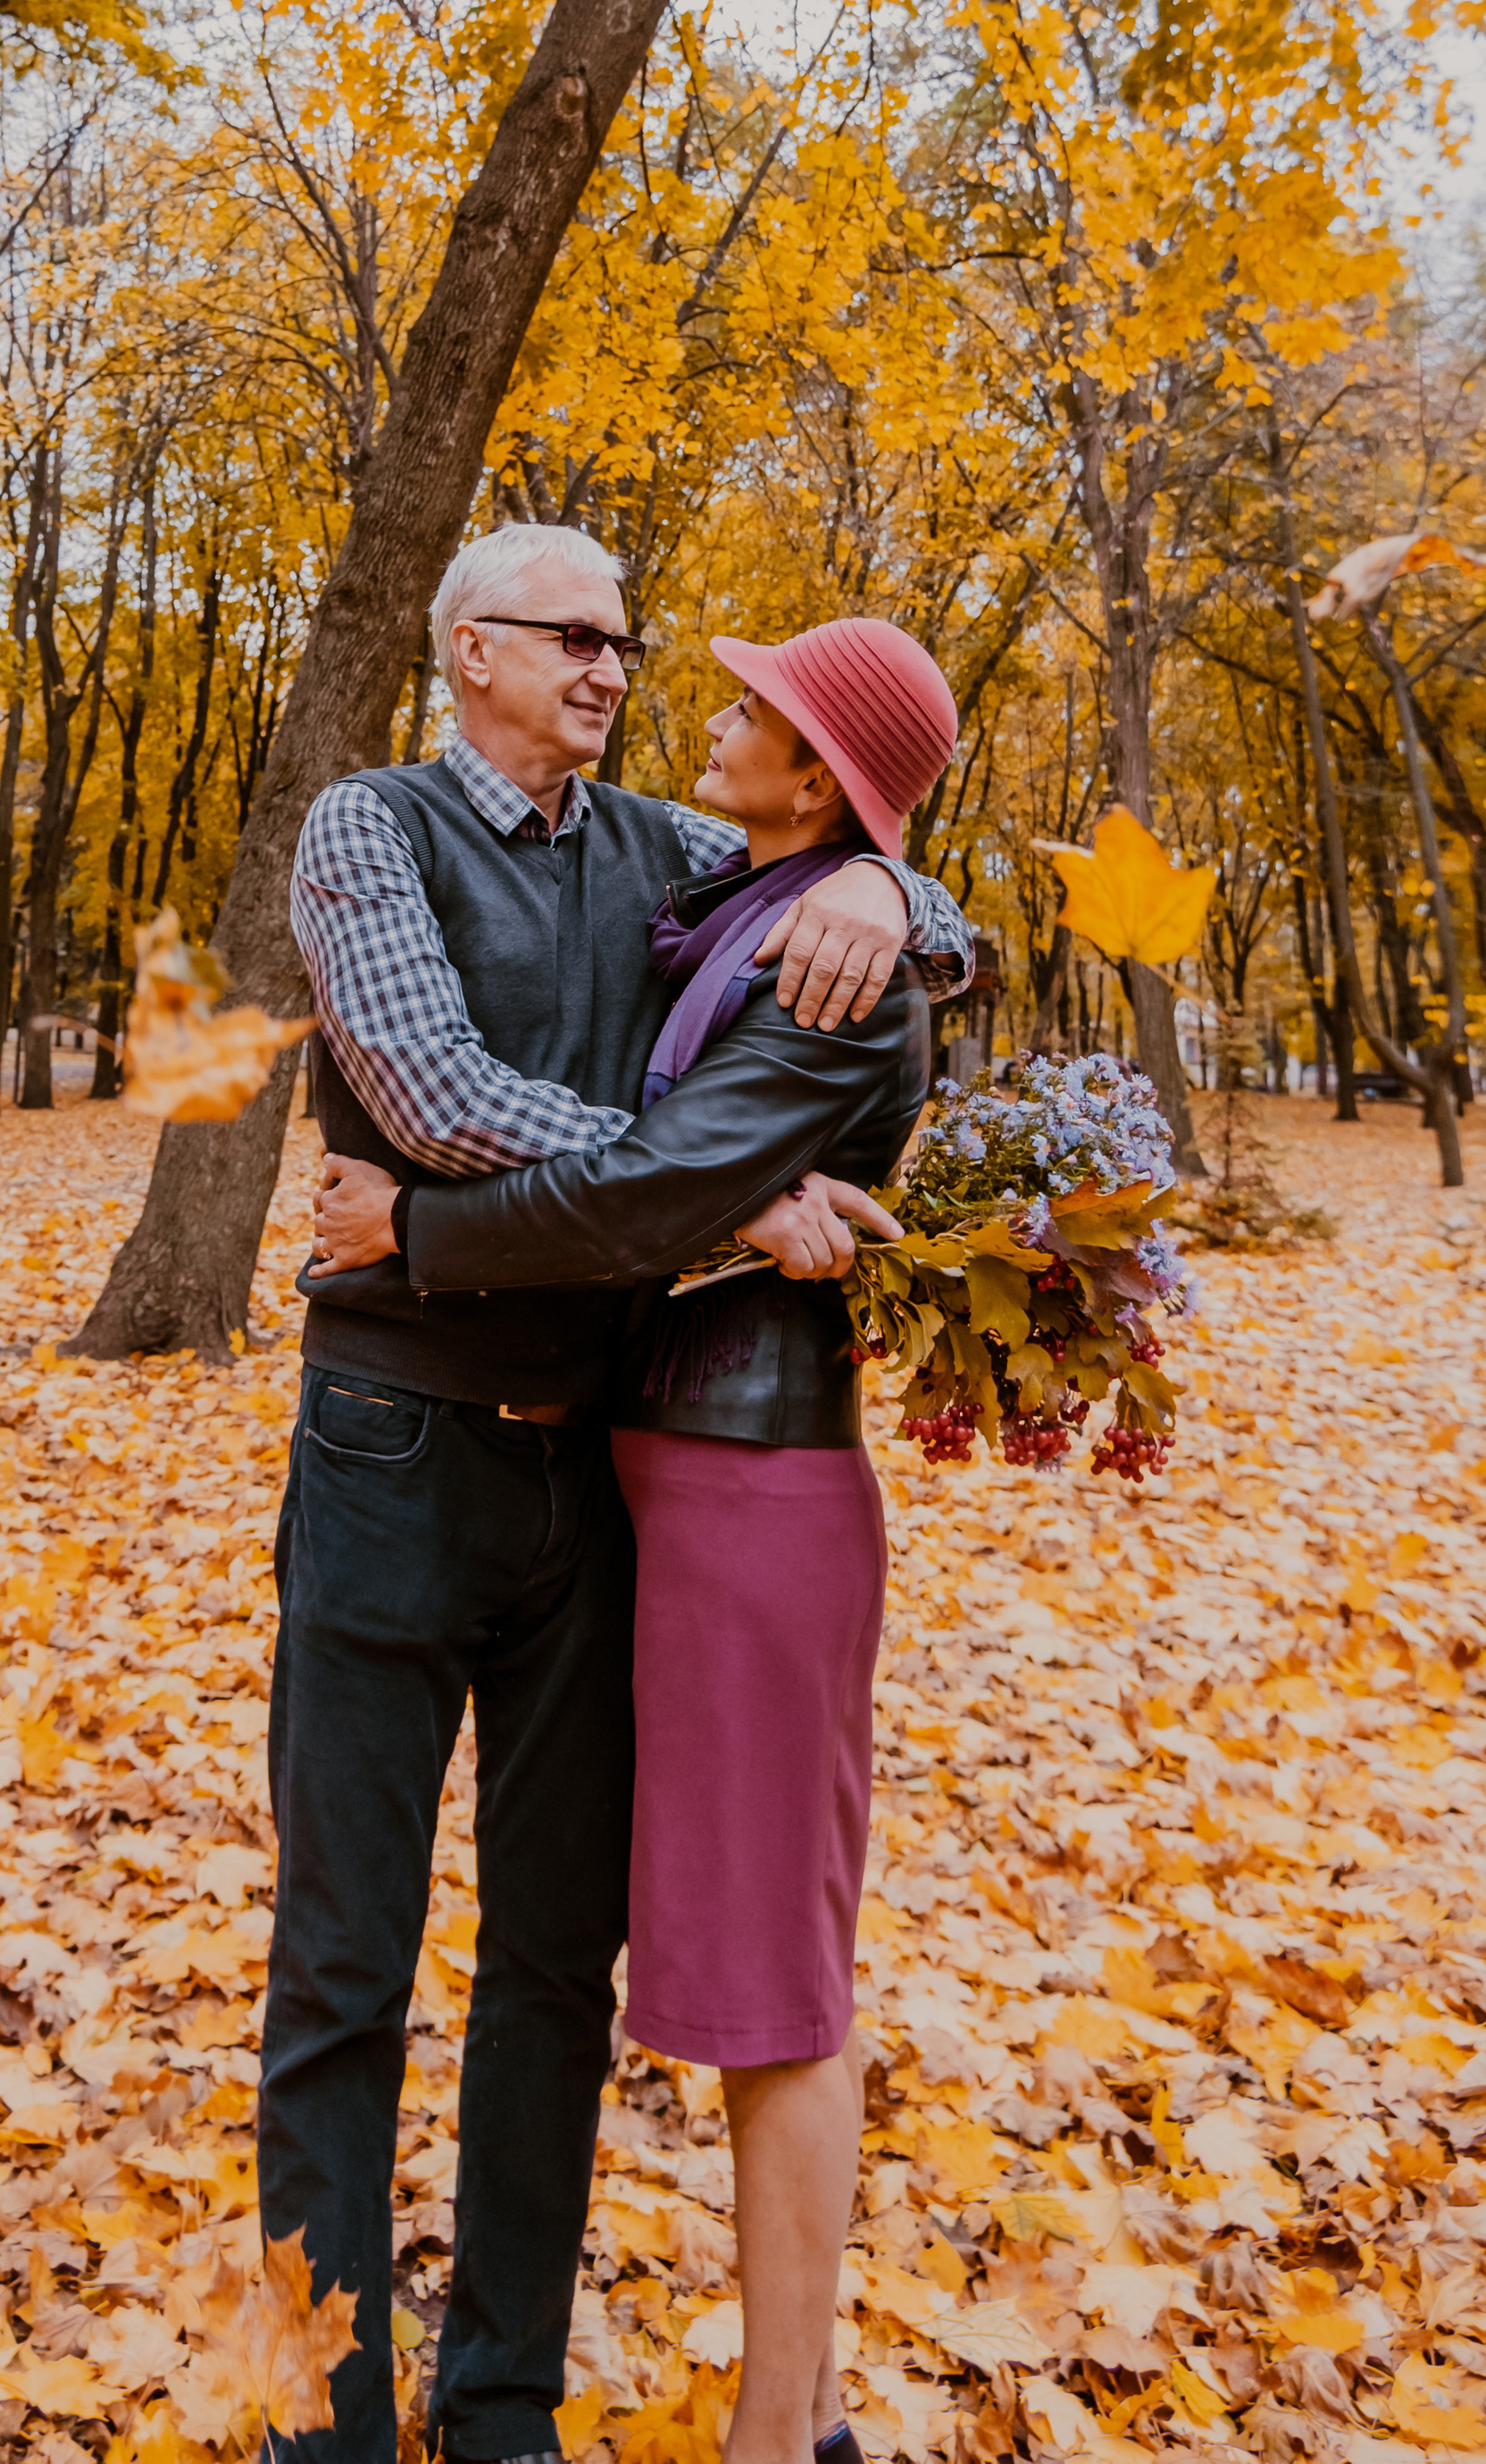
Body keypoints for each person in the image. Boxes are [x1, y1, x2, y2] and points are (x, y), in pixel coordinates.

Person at [260, 527, 973, 2464]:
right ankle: (301, 2420)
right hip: (391, 1441)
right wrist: (713, 1193)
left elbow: (835, 864)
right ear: (467, 646)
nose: (610, 667)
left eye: (622, 644)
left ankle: (497, 2411)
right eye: (572, 638)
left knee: (550, 1973)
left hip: (592, 1468)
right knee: (340, 1960)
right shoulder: (369, 827)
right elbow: (420, 1087)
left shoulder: (651, 841)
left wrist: (909, 909)